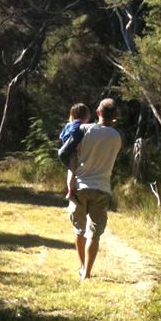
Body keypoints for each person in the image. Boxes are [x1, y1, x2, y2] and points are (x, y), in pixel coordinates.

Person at [68, 97, 122, 281]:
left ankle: (82, 266)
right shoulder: (116, 137)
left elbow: (71, 152)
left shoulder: (84, 129)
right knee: (95, 233)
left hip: (80, 186)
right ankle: (88, 272)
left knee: (79, 230)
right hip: (102, 188)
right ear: (114, 116)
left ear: (98, 112)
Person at [58, 103, 91, 200]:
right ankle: (71, 191)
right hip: (71, 151)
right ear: (85, 115)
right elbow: (76, 133)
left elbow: (61, 136)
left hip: (65, 151)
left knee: (71, 171)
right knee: (73, 171)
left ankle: (70, 190)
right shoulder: (79, 124)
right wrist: (77, 143)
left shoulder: (69, 124)